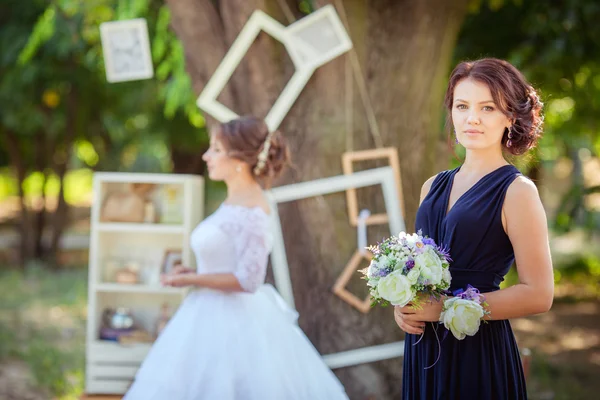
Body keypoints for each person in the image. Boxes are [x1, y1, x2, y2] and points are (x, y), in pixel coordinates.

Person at [124, 116, 349, 400]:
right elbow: (227, 261)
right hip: (205, 311)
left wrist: (191, 279)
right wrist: (193, 272)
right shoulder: (233, 201)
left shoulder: (254, 210)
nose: (206, 156)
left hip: (236, 320)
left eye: (216, 150)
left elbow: (249, 280)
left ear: (239, 160)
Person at [394, 58, 554, 399]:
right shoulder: (432, 186)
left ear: (510, 117)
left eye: (488, 107)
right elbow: (419, 271)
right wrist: (404, 306)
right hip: (424, 347)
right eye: (462, 106)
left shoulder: (517, 191)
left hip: (477, 349)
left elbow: (540, 294)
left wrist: (448, 308)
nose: (472, 118)